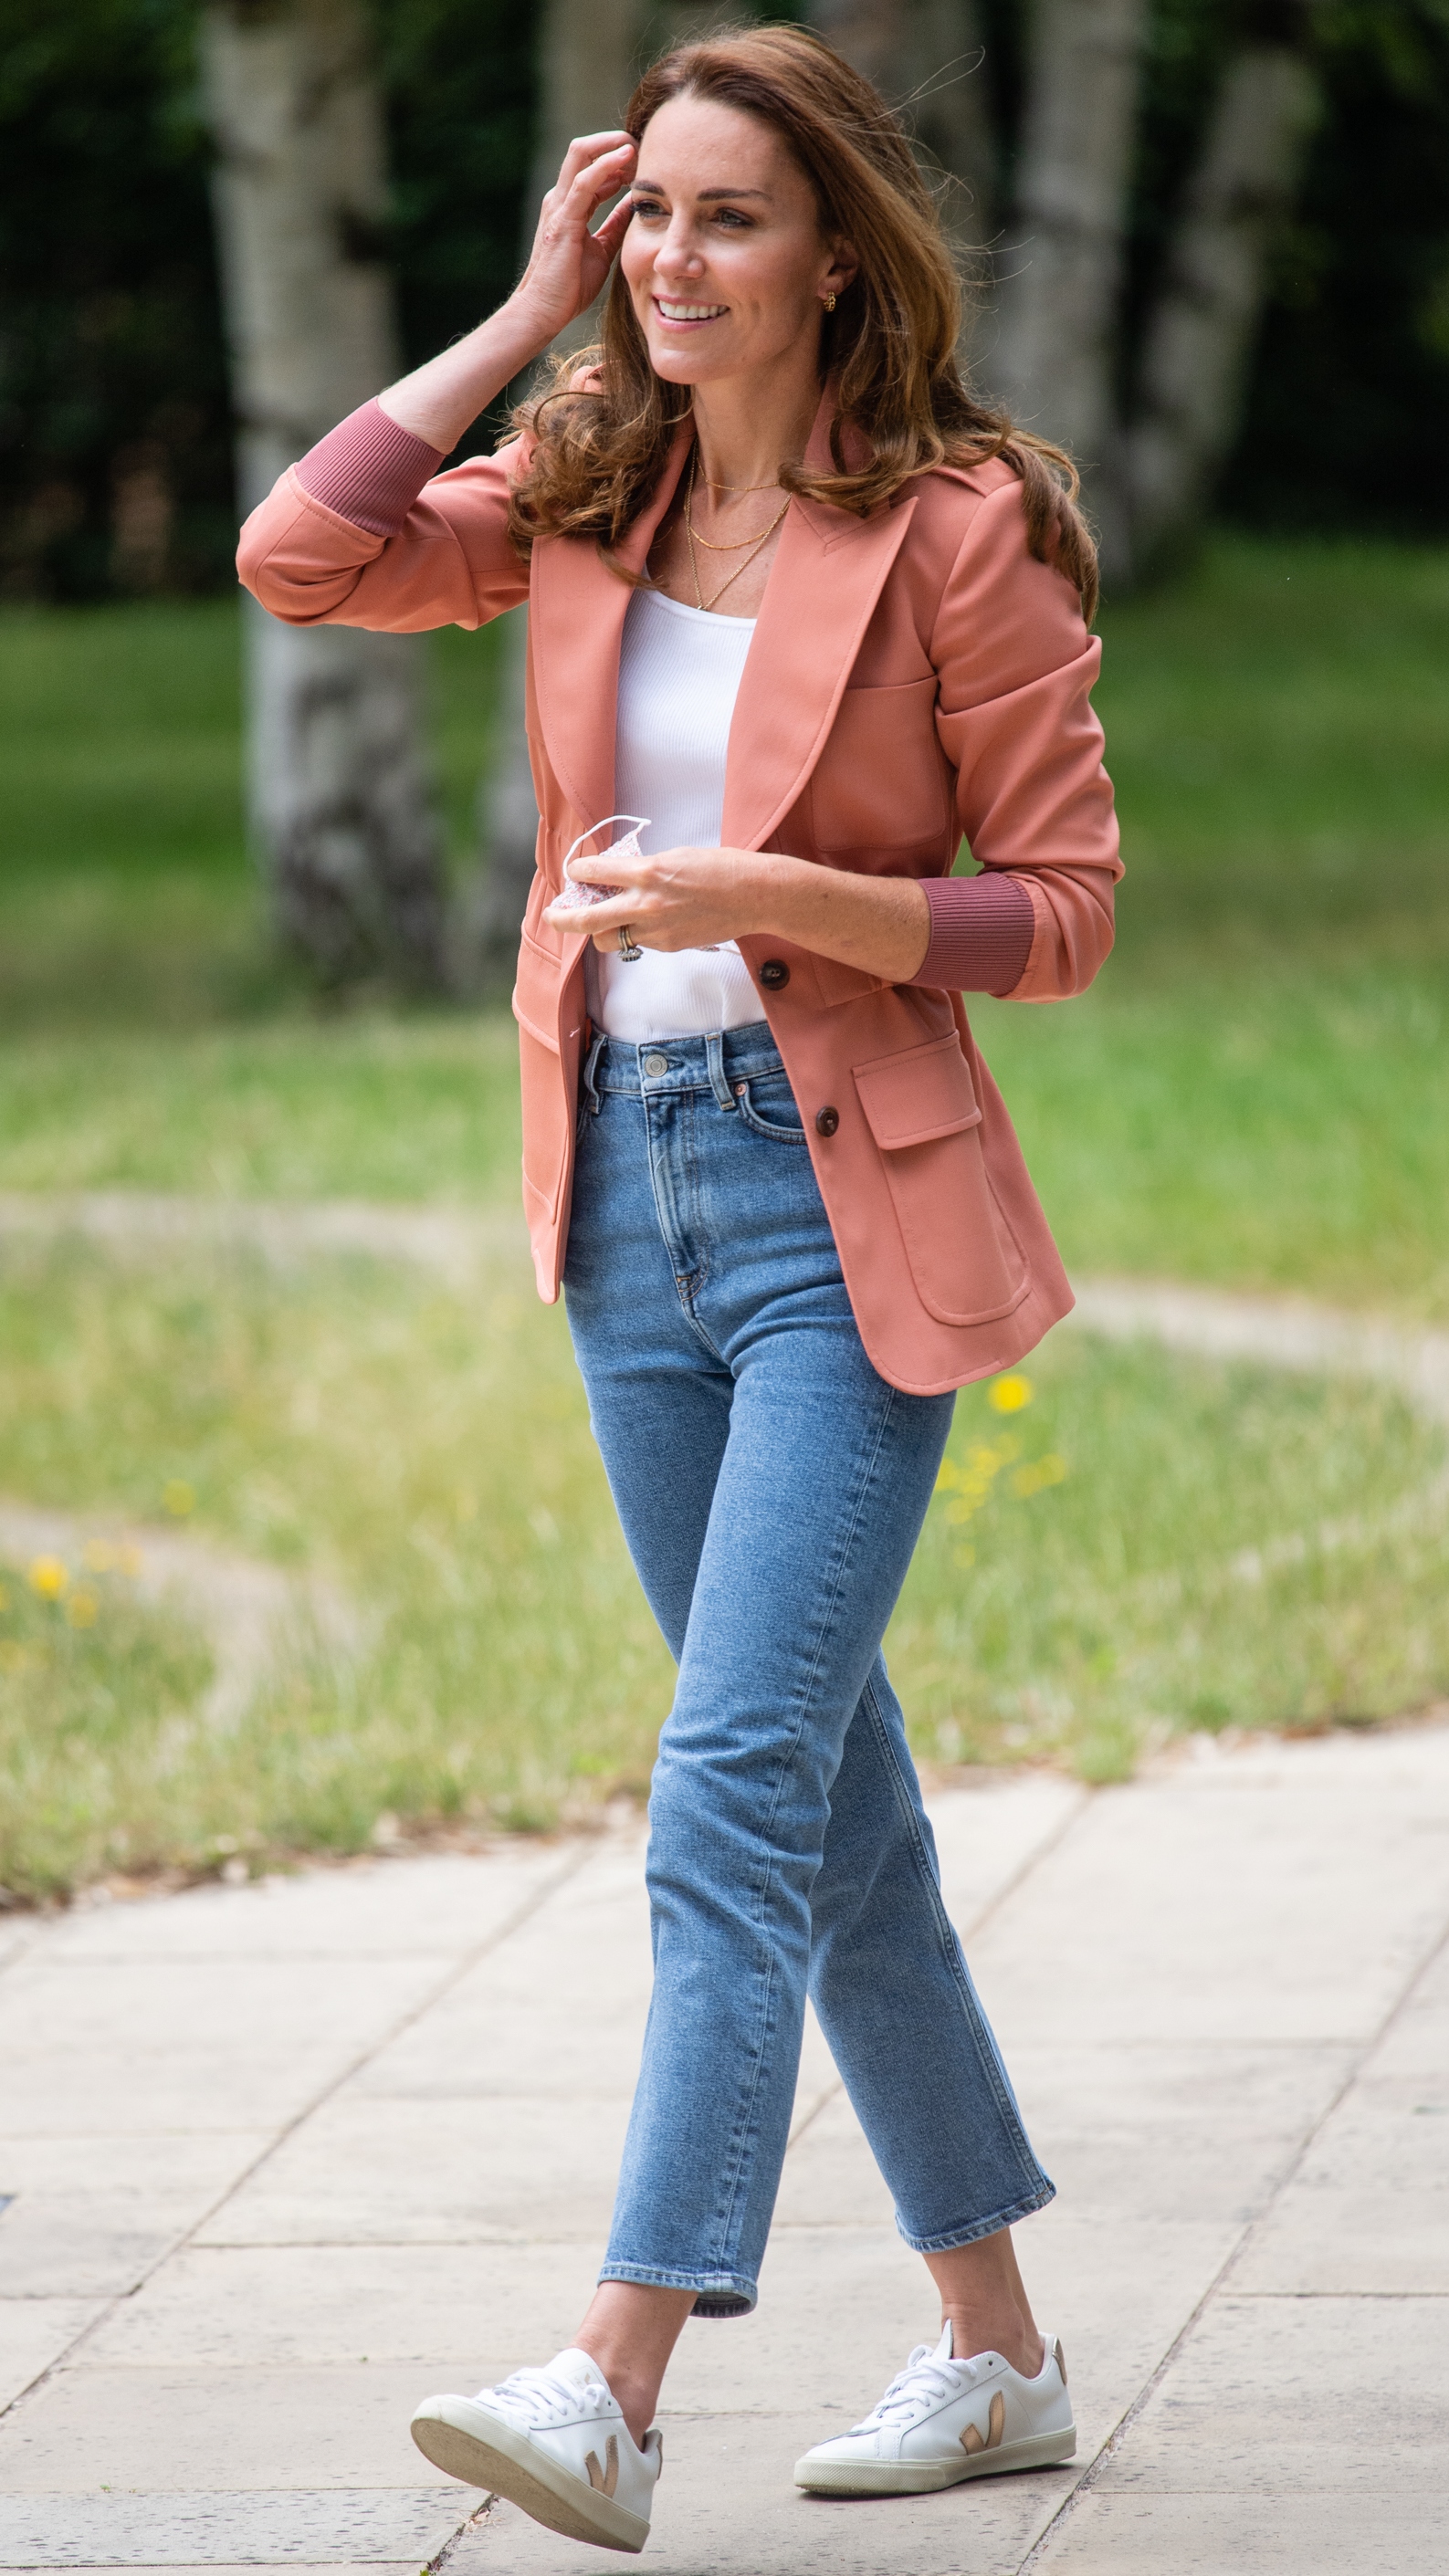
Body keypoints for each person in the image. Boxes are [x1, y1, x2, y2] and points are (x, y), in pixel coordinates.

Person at [237, 24, 1119, 2557]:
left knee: (729, 1785)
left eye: (726, 218)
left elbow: (1055, 912)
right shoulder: (588, 492)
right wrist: (523, 309)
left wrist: (778, 904)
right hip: (629, 1200)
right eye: (648, 214)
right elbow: (299, 552)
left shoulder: (962, 530)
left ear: (837, 251)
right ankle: (998, 2356)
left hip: (849, 1209)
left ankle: (616, 2377)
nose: (673, 256)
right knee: (830, 1806)